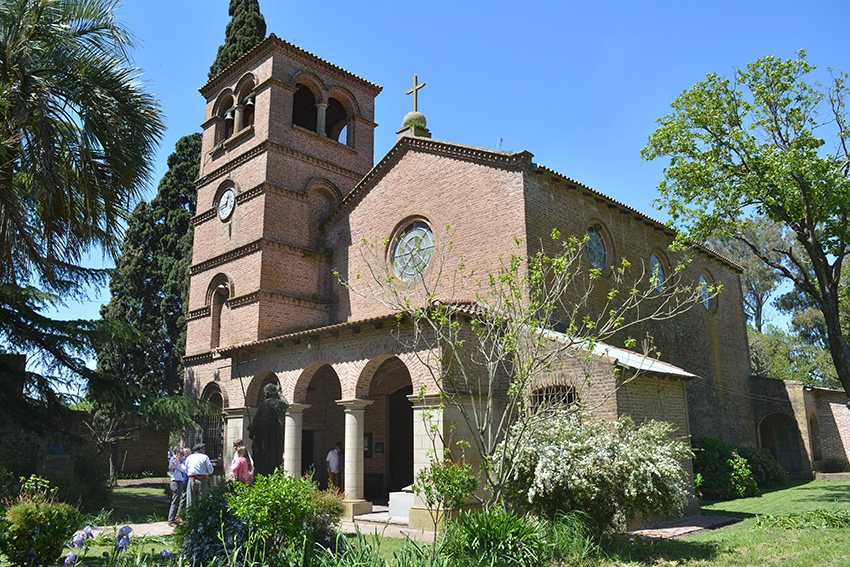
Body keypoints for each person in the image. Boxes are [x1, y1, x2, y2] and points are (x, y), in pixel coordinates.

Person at [248, 383, 288, 476]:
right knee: (275, 459)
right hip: (275, 437)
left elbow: (256, 422)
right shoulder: (279, 403)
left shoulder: (262, 405)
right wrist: (280, 393)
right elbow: (286, 404)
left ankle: (263, 479)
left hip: (263, 439)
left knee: (263, 460)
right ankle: (274, 479)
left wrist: (251, 428)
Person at [185, 443, 214, 507]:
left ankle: (190, 515)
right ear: (200, 449)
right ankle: (202, 515)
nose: (204, 450)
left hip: (191, 480)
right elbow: (210, 470)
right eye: (204, 449)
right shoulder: (205, 457)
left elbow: (186, 470)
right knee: (203, 500)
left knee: (190, 501)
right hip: (202, 480)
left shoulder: (189, 458)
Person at [167, 448, 187, 526]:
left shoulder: (173, 460)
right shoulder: (175, 461)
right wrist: (183, 463)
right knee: (175, 502)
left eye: (183, 454)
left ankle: (173, 519)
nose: (182, 456)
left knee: (176, 501)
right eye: (181, 454)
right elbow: (183, 469)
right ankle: (171, 520)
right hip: (176, 483)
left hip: (176, 482)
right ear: (176, 453)